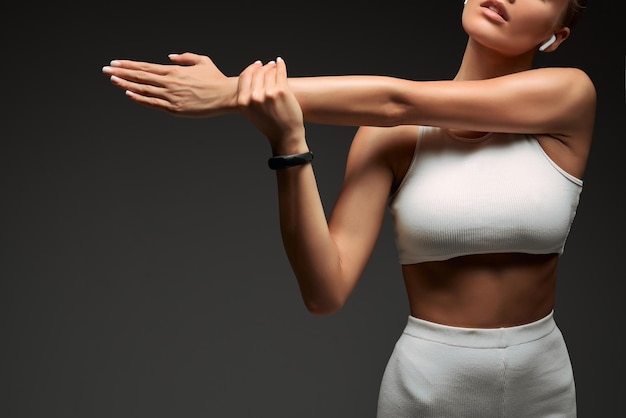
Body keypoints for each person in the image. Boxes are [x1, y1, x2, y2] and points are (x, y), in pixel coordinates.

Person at [101, 0, 595, 416]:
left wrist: (229, 91)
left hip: (543, 386)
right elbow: (325, 291)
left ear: (558, 34)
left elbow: (396, 100)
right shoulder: (388, 139)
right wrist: (288, 139)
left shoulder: (567, 98)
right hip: (425, 389)